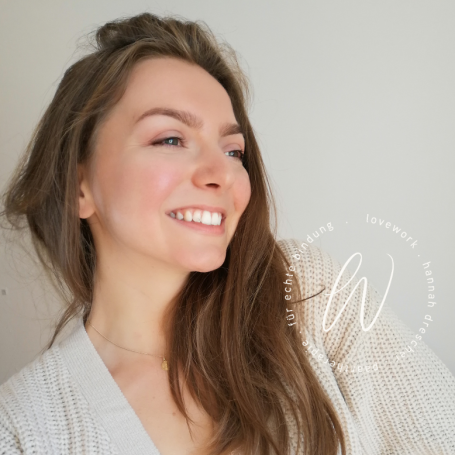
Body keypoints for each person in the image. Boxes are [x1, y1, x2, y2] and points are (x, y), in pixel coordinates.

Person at [0, 12, 454, 455]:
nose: (222, 173)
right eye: (171, 139)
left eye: (233, 150)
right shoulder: (22, 428)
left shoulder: (306, 294)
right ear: (79, 186)